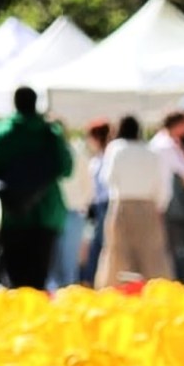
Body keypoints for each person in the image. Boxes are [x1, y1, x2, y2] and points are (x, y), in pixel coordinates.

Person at [0, 87, 74, 289]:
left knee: (15, 281)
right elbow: (67, 169)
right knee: (39, 279)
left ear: (15, 103)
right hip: (48, 214)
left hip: (13, 215)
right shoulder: (50, 132)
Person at [95, 115, 174, 287]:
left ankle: (114, 290)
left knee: (118, 253)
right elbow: (162, 184)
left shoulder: (115, 148)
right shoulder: (152, 151)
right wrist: (160, 206)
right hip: (148, 206)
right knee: (152, 254)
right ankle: (160, 290)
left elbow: (107, 178)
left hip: (122, 204)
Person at [151, 111, 184, 283]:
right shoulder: (168, 146)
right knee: (177, 250)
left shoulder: (157, 143)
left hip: (160, 203)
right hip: (170, 206)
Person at [48, 130, 96, 290]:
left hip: (71, 212)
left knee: (67, 266)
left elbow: (89, 186)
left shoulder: (76, 155)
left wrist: (81, 205)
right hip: (58, 213)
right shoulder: (47, 155)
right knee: (53, 265)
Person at [81, 120, 111, 286]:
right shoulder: (101, 157)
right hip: (99, 206)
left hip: (105, 205)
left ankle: (91, 280)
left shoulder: (106, 157)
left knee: (99, 244)